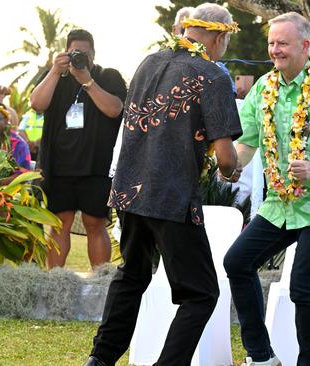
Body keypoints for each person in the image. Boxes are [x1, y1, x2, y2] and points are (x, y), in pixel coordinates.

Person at [84, 4, 241, 366]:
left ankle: (99, 359)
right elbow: (226, 157)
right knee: (200, 293)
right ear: (220, 36)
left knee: (132, 275)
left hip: (129, 190)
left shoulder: (148, 62)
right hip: (171, 196)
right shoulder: (212, 74)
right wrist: (229, 171)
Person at [223, 12, 310, 366]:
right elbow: (247, 143)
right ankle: (261, 357)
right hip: (281, 204)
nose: (275, 50)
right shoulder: (263, 89)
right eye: (272, 43)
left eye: (282, 43)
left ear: (305, 45)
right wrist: (232, 165)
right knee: (237, 262)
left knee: (302, 283)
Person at [30, 29, 127, 270]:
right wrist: (54, 70)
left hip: (96, 164)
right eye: (75, 53)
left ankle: (99, 283)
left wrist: (88, 81)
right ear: (66, 52)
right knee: (59, 223)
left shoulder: (108, 76)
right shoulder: (56, 76)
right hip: (59, 165)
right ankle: (56, 284)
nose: (80, 57)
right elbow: (36, 103)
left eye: (85, 53)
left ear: (93, 54)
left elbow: (115, 109)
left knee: (95, 223)